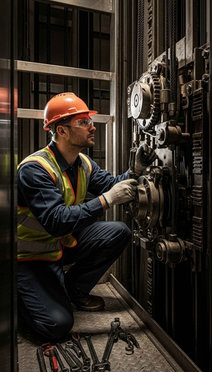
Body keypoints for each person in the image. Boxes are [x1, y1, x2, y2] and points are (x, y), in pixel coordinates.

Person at [17, 92, 156, 342]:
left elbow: (113, 185)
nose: (92, 127)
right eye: (84, 122)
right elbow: (56, 220)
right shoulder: (35, 169)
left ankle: (74, 289)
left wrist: (135, 170)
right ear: (62, 131)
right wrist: (106, 200)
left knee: (118, 231)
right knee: (56, 326)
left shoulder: (82, 163)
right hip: (32, 257)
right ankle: (20, 297)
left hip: (62, 246)